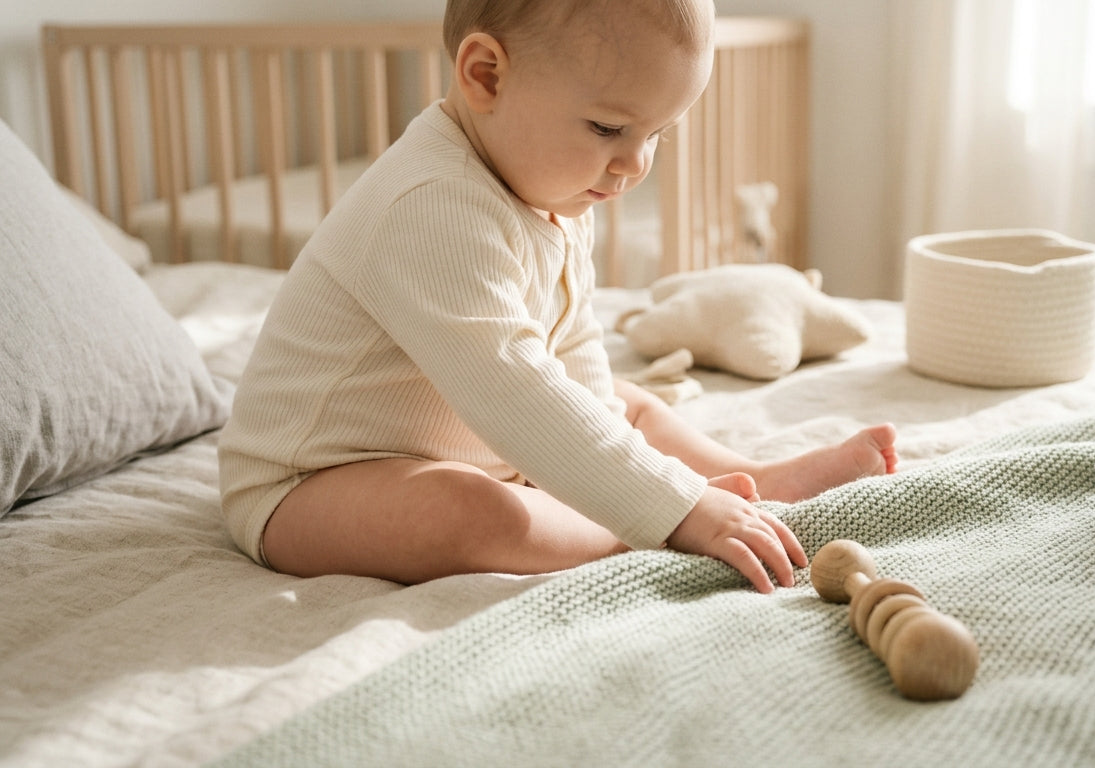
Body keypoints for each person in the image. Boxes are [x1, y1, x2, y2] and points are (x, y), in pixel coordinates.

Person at [218, 0, 898, 594]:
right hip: (311, 484)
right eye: (608, 129)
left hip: (476, 438)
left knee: (625, 405)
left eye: (657, 133)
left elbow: (570, 343)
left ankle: (751, 479)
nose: (634, 165)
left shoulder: (558, 188)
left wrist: (624, 450)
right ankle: (631, 533)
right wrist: (668, 510)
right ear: (485, 75)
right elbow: (513, 388)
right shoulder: (430, 206)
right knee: (468, 513)